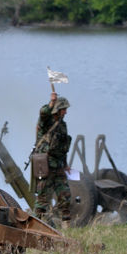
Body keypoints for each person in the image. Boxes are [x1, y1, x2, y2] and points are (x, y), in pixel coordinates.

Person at [34, 92, 73, 225]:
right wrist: (51, 103)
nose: (66, 112)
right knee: (42, 199)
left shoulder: (63, 125)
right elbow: (43, 113)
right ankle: (35, 224)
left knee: (65, 195)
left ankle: (66, 226)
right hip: (45, 165)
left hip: (58, 165)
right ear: (58, 109)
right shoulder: (46, 122)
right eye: (64, 109)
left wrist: (66, 164)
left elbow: (63, 147)